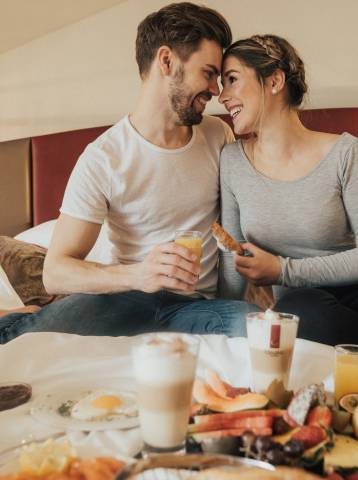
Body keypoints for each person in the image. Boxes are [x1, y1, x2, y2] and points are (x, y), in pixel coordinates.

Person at [0, 3, 258, 344]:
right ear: (166, 61)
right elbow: (55, 272)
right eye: (208, 73)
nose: (215, 90)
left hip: (195, 306)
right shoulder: (104, 158)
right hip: (122, 300)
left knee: (252, 326)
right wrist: (140, 274)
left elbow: (240, 222)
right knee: (24, 339)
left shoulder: (217, 136)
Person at [217, 34, 358, 369]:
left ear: (275, 80)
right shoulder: (232, 161)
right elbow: (233, 262)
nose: (222, 96)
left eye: (232, 80)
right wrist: (224, 331)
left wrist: (283, 269)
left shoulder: (347, 152)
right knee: (303, 318)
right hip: (307, 304)